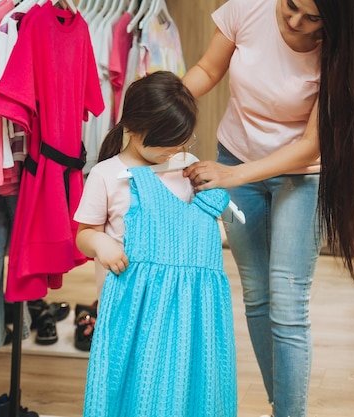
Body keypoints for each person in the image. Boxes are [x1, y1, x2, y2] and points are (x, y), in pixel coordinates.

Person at [181, 0, 354, 416]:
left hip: (302, 174)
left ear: (332, 20)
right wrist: (160, 99)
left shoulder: (339, 53)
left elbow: (310, 146)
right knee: (258, 297)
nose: (296, 21)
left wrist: (233, 176)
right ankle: (281, 407)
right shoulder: (247, 8)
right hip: (237, 155)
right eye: (292, 6)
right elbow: (209, 70)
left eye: (312, 17)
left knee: (288, 305)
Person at [74, 70, 237, 416]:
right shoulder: (106, 175)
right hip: (133, 312)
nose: (174, 151)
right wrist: (100, 244)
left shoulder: (188, 167)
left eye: (183, 141)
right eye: (166, 141)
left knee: (191, 390)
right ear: (132, 128)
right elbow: (84, 233)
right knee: (135, 393)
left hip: (193, 312)